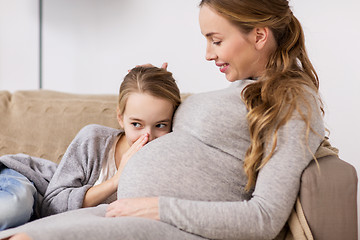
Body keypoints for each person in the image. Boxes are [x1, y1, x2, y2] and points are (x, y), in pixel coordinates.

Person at [0, 0, 326, 239]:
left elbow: (264, 219)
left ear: (258, 36)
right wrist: (150, 83)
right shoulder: (247, 88)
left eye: (216, 39)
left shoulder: (294, 102)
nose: (208, 54)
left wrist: (157, 207)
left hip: (167, 223)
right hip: (128, 212)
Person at [0, 66, 180, 230]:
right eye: (136, 124)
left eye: (160, 125)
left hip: (33, 217)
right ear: (120, 117)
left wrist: (157, 80)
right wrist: (115, 181)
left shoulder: (170, 161)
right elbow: (52, 205)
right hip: (24, 179)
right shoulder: (93, 140)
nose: (147, 137)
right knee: (13, 208)